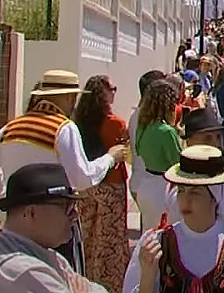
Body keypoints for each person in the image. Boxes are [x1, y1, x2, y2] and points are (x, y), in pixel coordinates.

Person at [0, 70, 127, 273]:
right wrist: (110, 158)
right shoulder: (63, 128)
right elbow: (81, 178)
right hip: (54, 221)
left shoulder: (9, 129)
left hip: (16, 221)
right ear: (69, 97)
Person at [122, 145, 224, 292]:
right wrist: (147, 278)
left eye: (195, 192)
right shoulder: (157, 245)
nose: (185, 200)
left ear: (215, 197)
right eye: (181, 190)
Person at [0, 164, 108, 293]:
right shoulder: (24, 271)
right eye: (67, 207)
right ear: (30, 213)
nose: (75, 215)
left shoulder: (47, 254)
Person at [73, 75, 130, 293]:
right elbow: (123, 151)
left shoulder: (79, 122)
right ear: (103, 94)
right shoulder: (115, 123)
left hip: (88, 186)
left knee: (87, 235)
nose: (115, 92)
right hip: (111, 185)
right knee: (109, 240)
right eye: (112, 88)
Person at [163, 109, 224, 225]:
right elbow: (176, 220)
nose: (216, 144)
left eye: (218, 137)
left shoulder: (222, 177)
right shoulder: (176, 181)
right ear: (189, 140)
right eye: (207, 138)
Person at [134, 79, 183, 232]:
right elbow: (178, 163)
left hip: (146, 185)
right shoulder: (167, 131)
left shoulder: (143, 127)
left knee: (149, 233)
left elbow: (138, 150)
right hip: (164, 189)